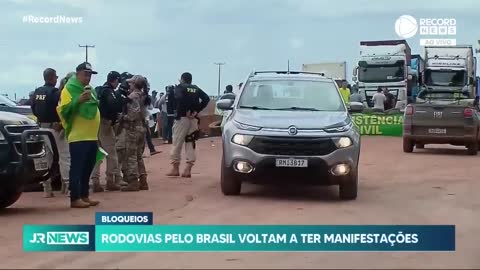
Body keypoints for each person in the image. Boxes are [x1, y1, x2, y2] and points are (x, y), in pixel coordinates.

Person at [57, 62, 100, 208]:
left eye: (90, 75)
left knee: (88, 167)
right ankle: (75, 198)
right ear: (77, 74)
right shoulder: (69, 89)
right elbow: (63, 110)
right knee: (77, 168)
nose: (88, 77)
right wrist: (78, 100)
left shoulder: (91, 90)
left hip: (92, 136)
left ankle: (84, 195)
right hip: (78, 136)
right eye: (85, 74)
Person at [31, 68, 70, 198]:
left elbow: (34, 109)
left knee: (46, 158)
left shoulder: (37, 92)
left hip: (41, 127)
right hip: (55, 128)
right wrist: (60, 122)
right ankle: (70, 187)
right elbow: (62, 109)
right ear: (53, 78)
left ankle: (46, 188)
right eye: (56, 77)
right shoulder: (54, 92)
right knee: (65, 156)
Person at [167, 72, 210, 178]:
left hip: (182, 118)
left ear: (182, 79)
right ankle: (188, 169)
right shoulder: (196, 88)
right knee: (190, 142)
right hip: (194, 119)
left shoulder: (180, 87)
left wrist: (184, 110)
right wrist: (195, 110)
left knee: (177, 142)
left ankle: (175, 168)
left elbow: (179, 98)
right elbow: (206, 99)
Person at [89, 71, 126, 192]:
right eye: (117, 81)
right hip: (105, 123)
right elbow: (113, 103)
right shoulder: (108, 91)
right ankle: (110, 180)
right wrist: (115, 114)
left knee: (98, 154)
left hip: (95, 123)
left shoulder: (98, 89)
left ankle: (95, 181)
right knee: (111, 153)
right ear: (114, 80)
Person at [120, 75, 149, 192]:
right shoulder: (143, 95)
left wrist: (122, 117)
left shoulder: (133, 96)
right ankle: (143, 180)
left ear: (134, 84)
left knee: (131, 155)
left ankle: (133, 182)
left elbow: (133, 114)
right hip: (142, 128)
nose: (129, 85)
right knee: (138, 156)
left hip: (133, 129)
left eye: (130, 83)